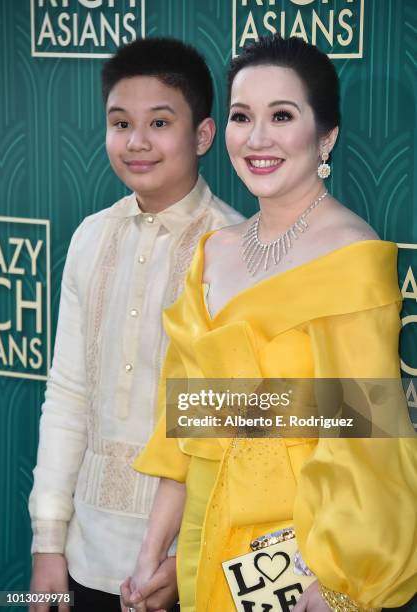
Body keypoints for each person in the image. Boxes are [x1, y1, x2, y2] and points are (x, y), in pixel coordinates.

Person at [121, 35, 417, 612]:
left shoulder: (351, 257)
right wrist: (153, 552)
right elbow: (186, 425)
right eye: (241, 116)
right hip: (207, 542)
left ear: (325, 134)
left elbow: (368, 445)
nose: (257, 139)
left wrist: (335, 582)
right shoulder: (214, 252)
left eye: (282, 115)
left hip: (301, 564)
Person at [28, 36, 243, 612]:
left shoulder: (235, 247)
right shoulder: (88, 238)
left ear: (202, 135)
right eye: (120, 123)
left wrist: (182, 555)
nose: (137, 142)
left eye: (159, 123)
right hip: (81, 558)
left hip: (186, 566)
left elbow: (232, 428)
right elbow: (68, 395)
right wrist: (48, 543)